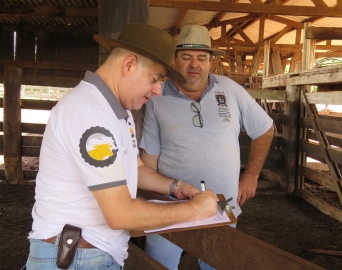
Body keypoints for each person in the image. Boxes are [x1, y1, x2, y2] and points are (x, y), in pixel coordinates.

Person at [22, 23, 218, 270]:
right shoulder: (90, 115)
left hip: (83, 254)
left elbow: (136, 168)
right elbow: (120, 214)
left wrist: (176, 187)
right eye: (156, 79)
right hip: (76, 258)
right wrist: (194, 210)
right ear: (129, 64)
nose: (158, 90)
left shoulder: (117, 112)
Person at [140, 24, 275, 270]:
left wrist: (252, 176)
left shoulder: (231, 90)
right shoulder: (156, 97)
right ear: (174, 60)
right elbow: (150, 157)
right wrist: (151, 199)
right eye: (187, 57)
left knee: (217, 262)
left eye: (201, 58)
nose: (195, 65)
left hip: (222, 203)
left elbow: (265, 128)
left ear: (210, 61)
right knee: (158, 264)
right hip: (171, 204)